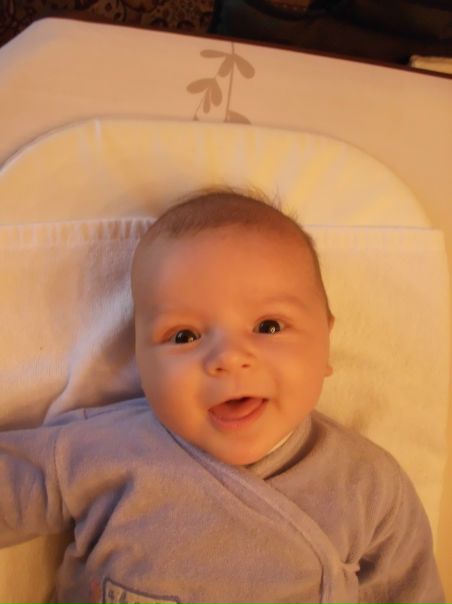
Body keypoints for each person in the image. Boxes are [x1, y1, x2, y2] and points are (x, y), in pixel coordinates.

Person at [0, 189, 446, 604]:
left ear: (325, 344)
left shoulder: (368, 485)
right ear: (139, 360)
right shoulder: (102, 450)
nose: (229, 358)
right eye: (184, 335)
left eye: (268, 326)